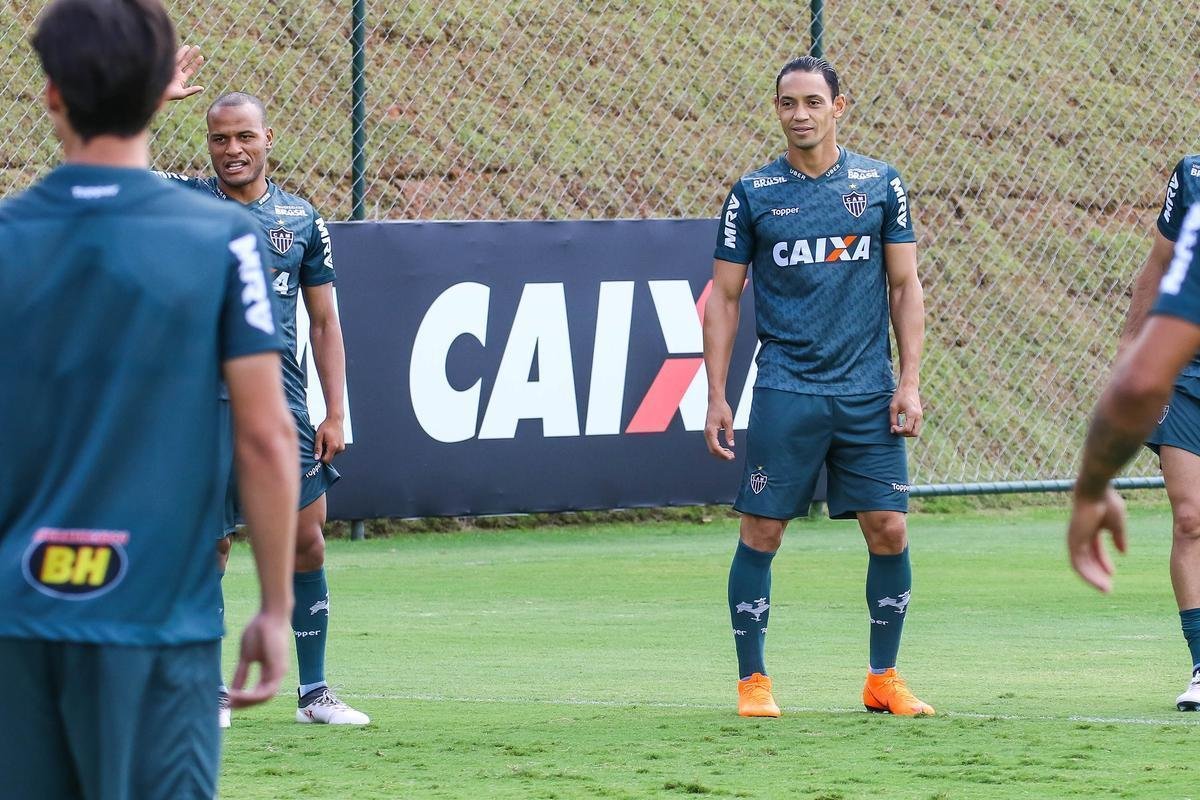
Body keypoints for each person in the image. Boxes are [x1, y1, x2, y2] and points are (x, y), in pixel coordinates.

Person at [0, 0, 298, 796]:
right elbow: (266, 437)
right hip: (158, 621)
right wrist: (273, 604)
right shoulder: (221, 241)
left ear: (52, 95)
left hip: (19, 622)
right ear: (161, 94)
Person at [703, 56, 932, 718]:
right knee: (763, 532)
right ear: (777, 110)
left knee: (889, 528)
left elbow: (904, 285)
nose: (799, 114)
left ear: (839, 107)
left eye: (811, 101)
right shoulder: (753, 194)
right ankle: (753, 683)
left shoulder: (881, 185)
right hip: (787, 387)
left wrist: (909, 382)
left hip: (867, 388)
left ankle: (882, 678)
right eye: (787, 103)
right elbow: (723, 298)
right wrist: (717, 394)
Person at [157, 47, 368, 726]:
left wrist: (338, 410)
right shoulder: (183, 201)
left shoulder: (302, 220)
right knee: (211, 547)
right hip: (204, 410)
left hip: (287, 410)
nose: (232, 149)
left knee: (307, 542)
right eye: (219, 138)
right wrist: (152, 101)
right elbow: (103, 166)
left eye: (245, 136)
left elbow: (326, 320)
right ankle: (211, 690)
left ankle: (314, 693)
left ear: (268, 139)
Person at [1082, 153, 1200, 710]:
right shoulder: (1193, 173)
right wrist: (1130, 355)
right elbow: (1157, 265)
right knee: (1190, 514)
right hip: (1185, 368)